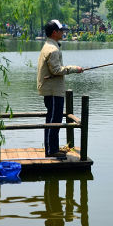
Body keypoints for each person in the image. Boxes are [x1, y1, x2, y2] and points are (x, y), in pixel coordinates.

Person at [37, 20, 83, 159]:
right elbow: (56, 70)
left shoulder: (49, 46)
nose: (63, 33)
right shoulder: (53, 49)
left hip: (52, 89)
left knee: (53, 119)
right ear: (54, 32)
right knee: (53, 120)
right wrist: (75, 69)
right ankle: (51, 151)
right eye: (61, 30)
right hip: (53, 91)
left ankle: (53, 148)